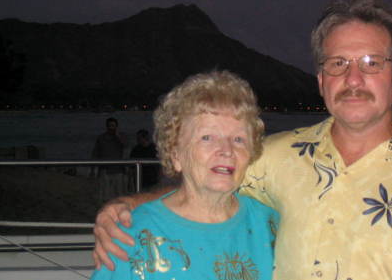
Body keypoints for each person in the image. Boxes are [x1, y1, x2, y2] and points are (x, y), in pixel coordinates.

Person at [92, 0, 392, 280]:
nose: (353, 79)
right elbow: (202, 184)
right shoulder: (278, 156)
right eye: (337, 63)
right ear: (322, 81)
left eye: (372, 63)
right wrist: (128, 207)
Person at [90, 71, 279, 280]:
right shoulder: (132, 236)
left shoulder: (271, 226)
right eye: (207, 137)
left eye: (239, 139)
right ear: (175, 154)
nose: (226, 150)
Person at [92, 117, 129, 203]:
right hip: (104, 170)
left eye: (113, 126)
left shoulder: (121, 136)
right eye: (109, 126)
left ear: (116, 126)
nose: (111, 128)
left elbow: (126, 145)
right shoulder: (101, 138)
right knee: (105, 196)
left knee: (119, 196)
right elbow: (95, 153)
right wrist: (93, 169)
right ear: (106, 126)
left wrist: (117, 136)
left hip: (118, 170)